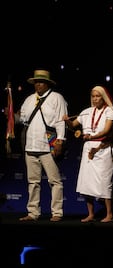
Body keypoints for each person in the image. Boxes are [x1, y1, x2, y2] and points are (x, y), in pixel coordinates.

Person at [17, 69, 68, 222]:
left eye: (42, 82)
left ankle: (57, 212)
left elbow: (60, 120)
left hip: (48, 144)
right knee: (33, 181)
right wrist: (13, 116)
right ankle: (33, 212)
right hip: (31, 145)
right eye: (36, 82)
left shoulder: (56, 98)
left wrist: (60, 140)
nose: (38, 84)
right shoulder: (28, 99)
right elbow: (23, 120)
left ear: (47, 83)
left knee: (55, 181)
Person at [63, 85, 113, 223]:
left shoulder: (110, 111)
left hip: (103, 148)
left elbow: (106, 131)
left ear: (103, 97)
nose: (95, 99)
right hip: (88, 148)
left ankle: (109, 214)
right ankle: (91, 214)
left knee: (105, 181)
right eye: (93, 96)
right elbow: (73, 126)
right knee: (86, 182)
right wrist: (67, 121)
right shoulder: (86, 112)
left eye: (98, 96)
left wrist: (91, 137)